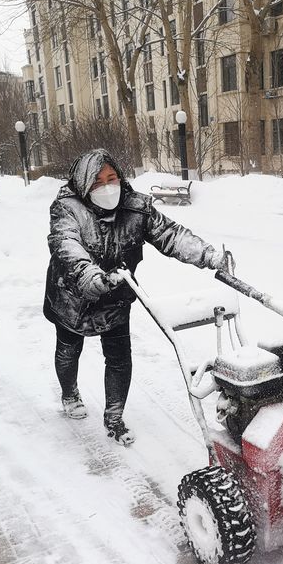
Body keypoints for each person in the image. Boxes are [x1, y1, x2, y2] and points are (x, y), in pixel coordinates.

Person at [44, 148, 227, 446]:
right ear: (82, 184)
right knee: (68, 351)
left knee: (119, 358)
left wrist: (210, 256)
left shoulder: (136, 208)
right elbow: (67, 247)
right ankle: (70, 393)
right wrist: (92, 278)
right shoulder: (67, 209)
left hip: (116, 295)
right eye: (97, 182)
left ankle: (114, 417)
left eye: (112, 178)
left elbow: (172, 235)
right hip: (72, 299)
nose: (107, 187)